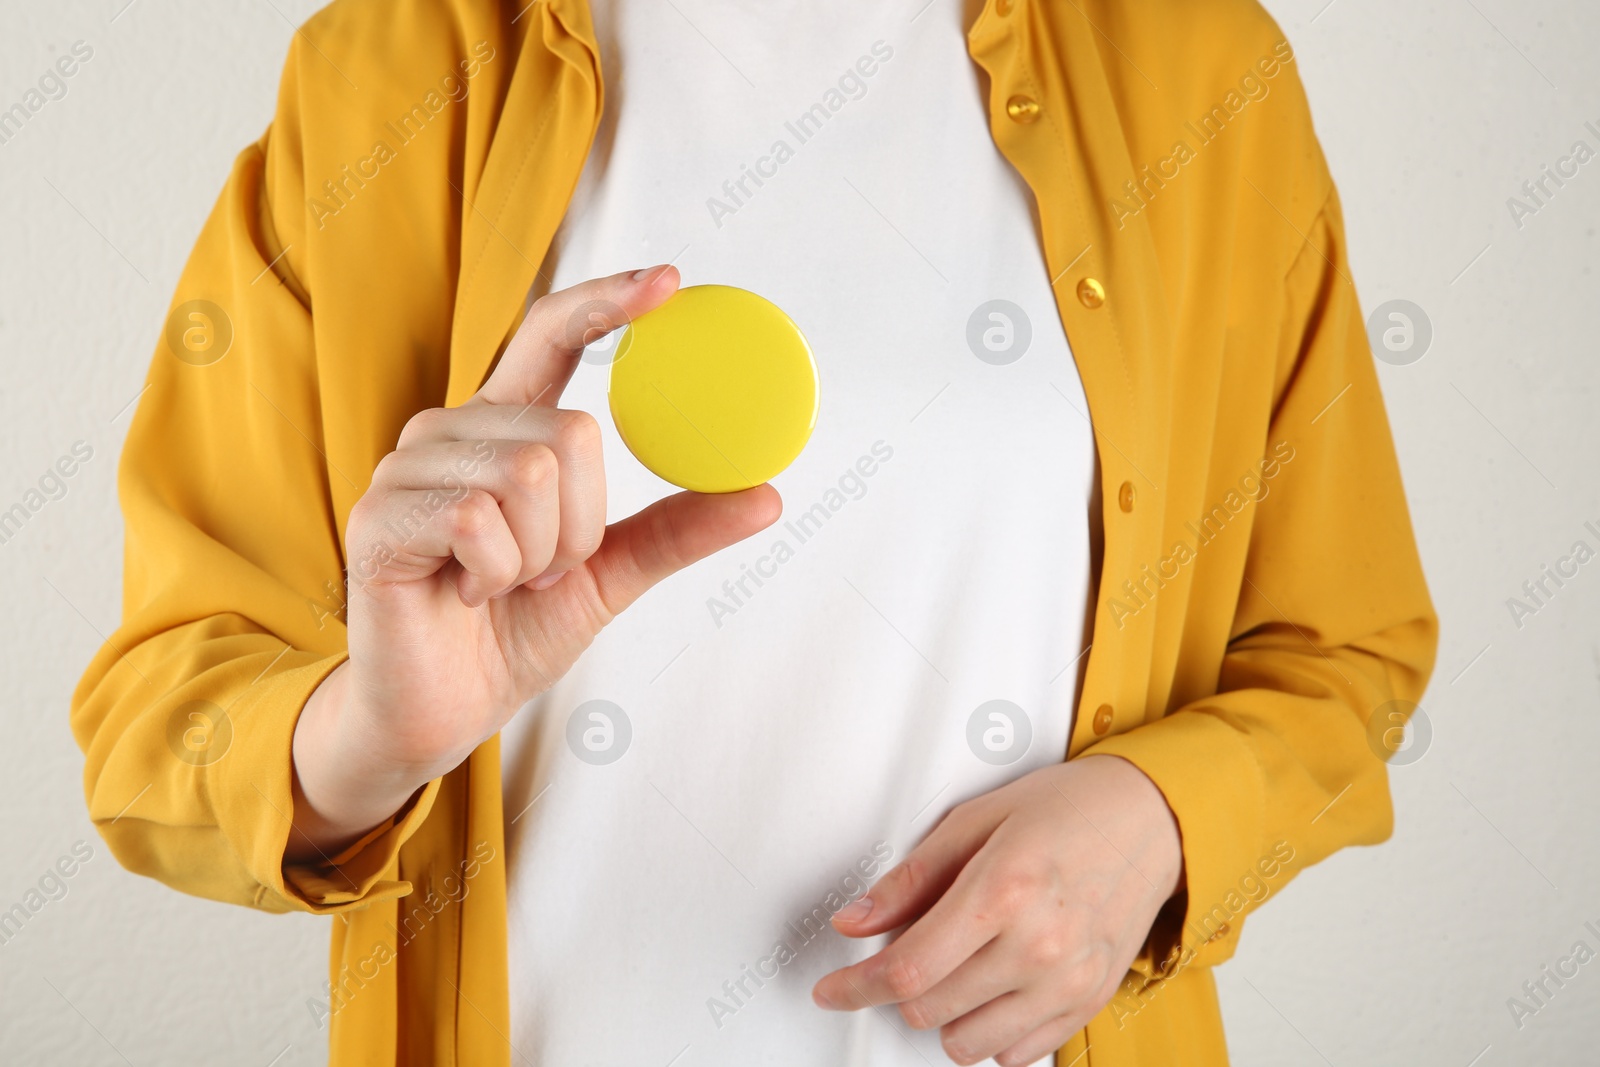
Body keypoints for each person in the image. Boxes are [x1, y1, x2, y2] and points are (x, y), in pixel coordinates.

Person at [71, 0, 1437, 1064]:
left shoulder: (1197, 71)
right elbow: (161, 720)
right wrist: (373, 732)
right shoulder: (387, 71)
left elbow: (1345, 651)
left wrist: (1167, 820)